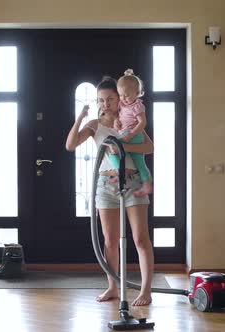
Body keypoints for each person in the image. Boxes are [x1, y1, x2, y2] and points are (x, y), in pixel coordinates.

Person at [65, 76, 154, 306]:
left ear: (119, 98)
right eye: (101, 100)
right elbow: (70, 144)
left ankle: (145, 291)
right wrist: (80, 118)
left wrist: (122, 146)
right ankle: (113, 287)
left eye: (110, 99)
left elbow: (149, 147)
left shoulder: (129, 119)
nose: (106, 104)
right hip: (105, 186)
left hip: (132, 181)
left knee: (140, 239)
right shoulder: (95, 125)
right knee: (110, 240)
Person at [108, 69, 153, 197]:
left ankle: (146, 185)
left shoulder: (137, 106)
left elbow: (142, 122)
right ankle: (123, 173)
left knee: (137, 162)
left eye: (127, 95)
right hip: (125, 133)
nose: (123, 98)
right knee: (115, 153)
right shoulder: (122, 104)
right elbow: (119, 116)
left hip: (133, 135)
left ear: (137, 93)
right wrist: (117, 121)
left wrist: (131, 134)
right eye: (121, 95)